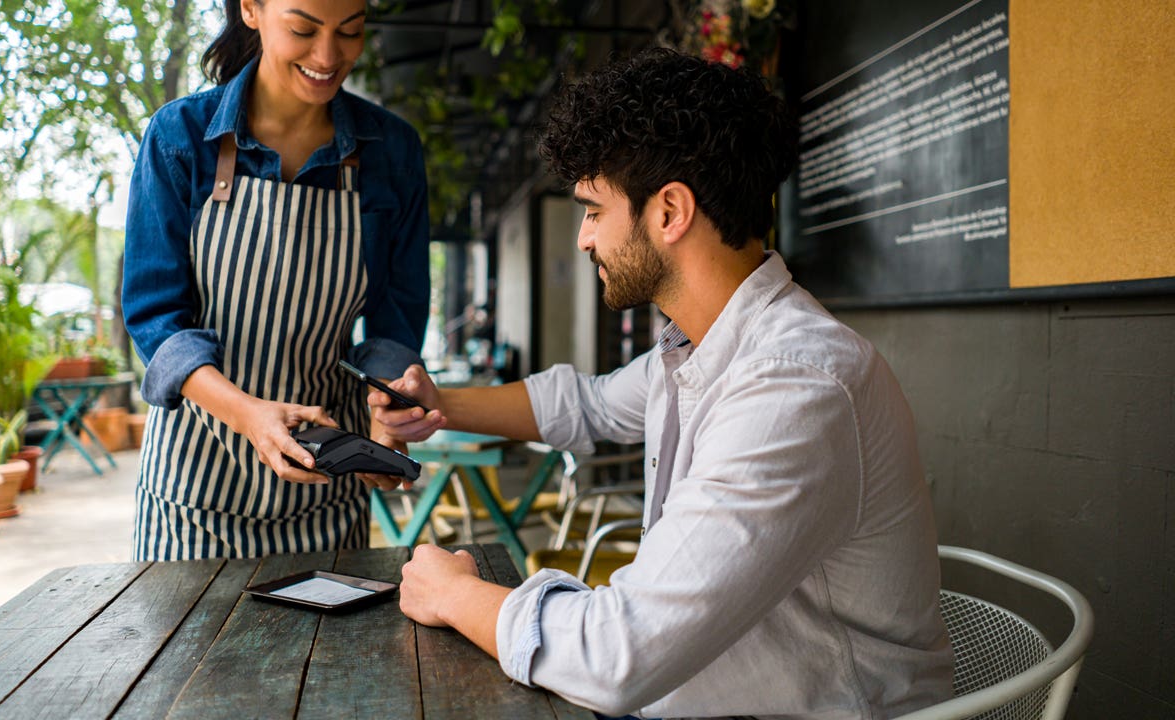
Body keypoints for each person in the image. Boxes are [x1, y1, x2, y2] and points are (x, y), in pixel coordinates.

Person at [373, 48, 954, 718]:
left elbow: (617, 654)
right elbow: (586, 406)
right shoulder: (701, 349)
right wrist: (438, 403)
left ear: (669, 211)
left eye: (593, 211)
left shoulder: (795, 388)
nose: (585, 240)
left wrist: (452, 593)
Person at [122, 0, 429, 561]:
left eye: (351, 30)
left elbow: (392, 324)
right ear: (252, 10)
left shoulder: (394, 152)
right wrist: (249, 414)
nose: (328, 56)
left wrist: (389, 416)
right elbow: (156, 320)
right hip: (193, 498)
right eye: (303, 29)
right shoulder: (180, 137)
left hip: (326, 494)